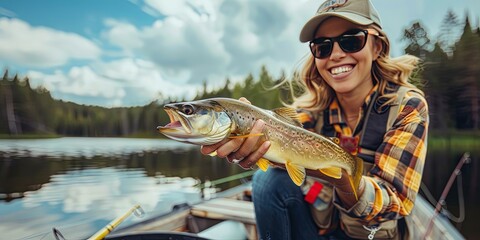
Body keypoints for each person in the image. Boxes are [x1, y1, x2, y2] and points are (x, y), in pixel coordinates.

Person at [201, 0, 429, 239]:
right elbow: (271, 133)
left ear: (377, 47)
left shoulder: (407, 107)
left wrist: (345, 182)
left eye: (352, 40)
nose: (337, 55)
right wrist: (244, 126)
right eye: (323, 46)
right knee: (266, 180)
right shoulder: (307, 111)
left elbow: (397, 201)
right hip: (320, 229)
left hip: (371, 234)